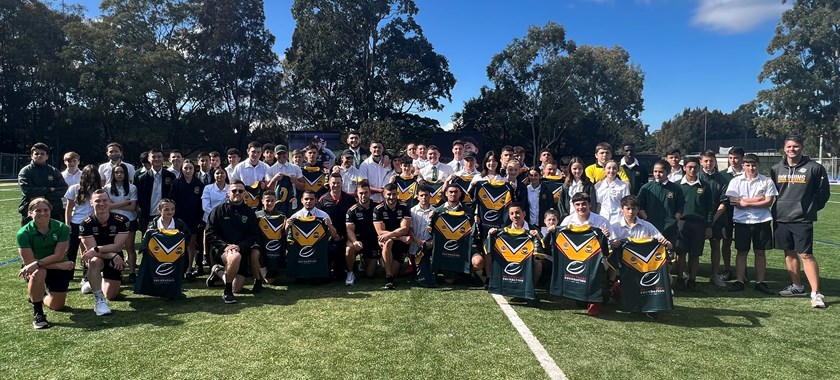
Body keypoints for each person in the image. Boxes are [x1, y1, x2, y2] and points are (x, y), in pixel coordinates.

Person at [771, 136, 830, 307]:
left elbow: (823, 193)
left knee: (806, 254)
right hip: (781, 217)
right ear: (784, 148)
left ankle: (816, 293)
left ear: (802, 147)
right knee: (788, 252)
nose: (792, 149)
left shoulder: (815, 168)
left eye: (795, 146)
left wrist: (809, 209)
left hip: (802, 219)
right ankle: (797, 286)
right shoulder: (776, 168)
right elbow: (773, 192)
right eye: (789, 146)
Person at [17, 198, 75, 329]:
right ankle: (38, 313)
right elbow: (30, 263)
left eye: (46, 210)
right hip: (46, 267)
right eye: (38, 210)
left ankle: (39, 296)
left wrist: (41, 263)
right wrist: (59, 265)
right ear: (30, 213)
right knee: (38, 272)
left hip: (55, 264)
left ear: (50, 211)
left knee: (58, 306)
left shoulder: (61, 228)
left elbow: (58, 255)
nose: (42, 213)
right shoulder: (23, 233)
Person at [725, 154, 777, 293]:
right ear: (743, 166)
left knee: (760, 252)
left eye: (753, 165)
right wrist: (756, 200)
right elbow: (734, 201)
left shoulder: (766, 181)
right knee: (742, 252)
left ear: (759, 165)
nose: (751, 168)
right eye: (747, 165)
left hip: (762, 221)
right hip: (742, 221)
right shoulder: (736, 181)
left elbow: (768, 202)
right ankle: (739, 281)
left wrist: (745, 201)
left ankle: (760, 282)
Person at [204, 180, 260, 303]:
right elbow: (210, 233)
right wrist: (224, 246)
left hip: (241, 251)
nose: (237, 193)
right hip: (222, 251)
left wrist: (240, 247)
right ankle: (227, 292)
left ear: (244, 193)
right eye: (234, 190)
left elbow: (253, 235)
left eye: (240, 191)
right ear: (228, 193)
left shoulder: (249, 213)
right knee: (234, 257)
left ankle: (217, 271)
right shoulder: (218, 210)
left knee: (237, 288)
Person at [79, 189, 131, 315]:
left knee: (111, 295)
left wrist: (100, 250)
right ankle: (99, 300)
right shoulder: (85, 224)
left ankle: (94, 280)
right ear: (91, 203)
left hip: (113, 256)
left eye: (104, 200)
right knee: (95, 262)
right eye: (97, 201)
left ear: (109, 202)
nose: (101, 203)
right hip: (98, 258)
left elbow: (117, 247)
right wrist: (113, 255)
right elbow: (92, 252)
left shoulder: (122, 220)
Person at [675, 157, 714, 291]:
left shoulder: (704, 185)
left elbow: (710, 207)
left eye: (695, 167)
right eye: (689, 167)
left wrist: (709, 226)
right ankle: (679, 279)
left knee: (695, 254)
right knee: (680, 253)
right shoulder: (677, 185)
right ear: (684, 167)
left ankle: (692, 280)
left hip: (698, 224)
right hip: (681, 223)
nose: (692, 170)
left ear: (699, 168)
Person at [699, 150, 733, 288]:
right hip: (698, 219)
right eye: (706, 161)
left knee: (715, 246)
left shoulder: (722, 179)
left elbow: (724, 202)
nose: (708, 163)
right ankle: (687, 273)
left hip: (717, 219)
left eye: (711, 160)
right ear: (701, 162)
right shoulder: (696, 177)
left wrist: (713, 218)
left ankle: (715, 275)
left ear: (715, 162)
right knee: (691, 247)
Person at [168, 160, 204, 280]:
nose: (188, 171)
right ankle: (178, 269)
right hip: (179, 219)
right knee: (179, 245)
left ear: (194, 170)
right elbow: (172, 200)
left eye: (190, 168)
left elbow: (201, 203)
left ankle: (189, 269)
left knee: (191, 244)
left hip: (194, 219)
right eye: (185, 168)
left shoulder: (199, 184)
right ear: (182, 170)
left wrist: (198, 218)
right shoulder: (176, 183)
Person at [104, 163, 139, 283]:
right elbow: (107, 207)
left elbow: (132, 207)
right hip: (113, 221)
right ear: (113, 174)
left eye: (122, 172)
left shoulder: (132, 187)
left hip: (129, 220)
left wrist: (114, 206)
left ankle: (132, 272)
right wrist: (124, 203)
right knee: (115, 248)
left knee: (130, 247)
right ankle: (117, 272)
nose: (119, 175)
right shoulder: (107, 188)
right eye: (116, 172)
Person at [64, 164, 101, 277]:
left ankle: (88, 274)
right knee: (71, 250)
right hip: (76, 223)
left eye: (94, 178)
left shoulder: (99, 190)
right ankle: (68, 274)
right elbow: (69, 207)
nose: (91, 180)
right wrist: (67, 223)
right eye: (89, 177)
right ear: (84, 176)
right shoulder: (74, 188)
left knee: (90, 250)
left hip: (92, 223)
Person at [373, 183, 412, 290]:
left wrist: (390, 235)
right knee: (388, 242)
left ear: (397, 194)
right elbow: (380, 232)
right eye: (389, 194)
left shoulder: (404, 207)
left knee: (396, 272)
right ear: (384, 195)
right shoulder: (378, 209)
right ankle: (388, 277)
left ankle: (387, 265)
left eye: (394, 194)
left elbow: (404, 229)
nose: (391, 197)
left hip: (399, 243)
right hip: (387, 241)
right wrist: (400, 237)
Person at [317, 173, 356, 280]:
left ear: (342, 183)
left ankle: (348, 268)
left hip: (346, 237)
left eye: (338, 183)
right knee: (327, 275)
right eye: (333, 183)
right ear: (329, 183)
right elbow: (319, 220)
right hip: (330, 238)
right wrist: (330, 235)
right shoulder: (322, 200)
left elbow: (354, 219)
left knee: (340, 274)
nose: (336, 185)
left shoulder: (349, 199)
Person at [18, 142, 68, 224]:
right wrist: (48, 189)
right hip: (31, 211)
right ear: (31, 156)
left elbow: (63, 189)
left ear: (47, 156)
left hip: (53, 211)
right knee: (31, 236)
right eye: (36, 153)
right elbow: (27, 191)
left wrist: (44, 197)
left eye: (42, 153)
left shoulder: (53, 171)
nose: (39, 155)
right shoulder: (25, 171)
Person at [638, 159, 683, 247]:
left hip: (669, 229)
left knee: (669, 255)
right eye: (655, 171)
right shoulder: (646, 188)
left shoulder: (675, 189)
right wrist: (647, 219)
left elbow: (680, 207)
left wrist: (673, 220)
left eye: (661, 172)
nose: (657, 174)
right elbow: (640, 206)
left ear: (668, 172)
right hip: (650, 227)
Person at [345, 182, 380, 283]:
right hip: (358, 241)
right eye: (361, 193)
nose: (363, 195)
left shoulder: (377, 208)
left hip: (372, 242)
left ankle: (365, 260)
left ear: (370, 193)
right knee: (349, 248)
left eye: (366, 192)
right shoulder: (352, 211)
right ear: (357, 194)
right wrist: (355, 241)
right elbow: (349, 230)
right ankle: (350, 273)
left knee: (370, 274)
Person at [136, 148, 176, 232]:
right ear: (149, 159)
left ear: (163, 158)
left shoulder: (171, 176)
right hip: (148, 215)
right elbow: (139, 198)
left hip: (166, 215)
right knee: (148, 242)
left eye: (159, 156)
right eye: (153, 157)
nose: (157, 159)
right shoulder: (142, 178)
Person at [265, 144, 304, 215]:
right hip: (277, 202)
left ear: (287, 154)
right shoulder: (270, 170)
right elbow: (267, 189)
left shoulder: (295, 168)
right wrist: (274, 179)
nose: (282, 156)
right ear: (275, 155)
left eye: (283, 153)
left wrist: (295, 181)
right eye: (279, 154)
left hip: (293, 200)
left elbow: (302, 187)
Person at [595, 160, 629, 226]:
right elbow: (598, 205)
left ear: (618, 170)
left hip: (618, 220)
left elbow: (627, 204)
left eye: (614, 168)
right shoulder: (598, 186)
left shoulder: (623, 186)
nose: (611, 171)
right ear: (604, 170)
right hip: (602, 219)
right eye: (609, 168)